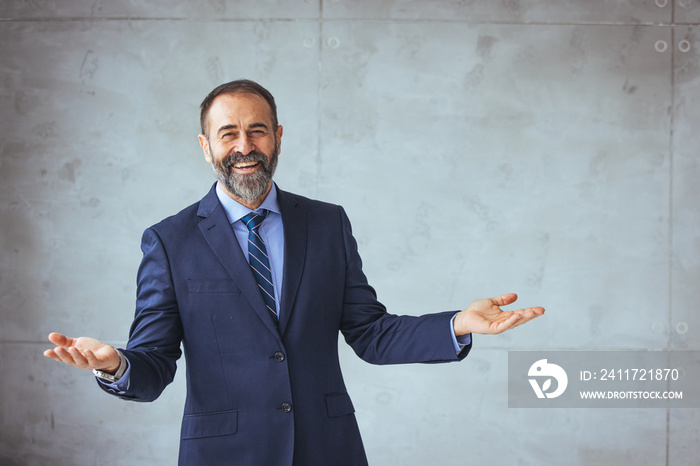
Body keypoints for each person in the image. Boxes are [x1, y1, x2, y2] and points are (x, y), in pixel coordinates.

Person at [44, 79, 544, 465]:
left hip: (328, 448)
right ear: (205, 146)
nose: (245, 145)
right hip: (224, 455)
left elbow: (371, 333)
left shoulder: (327, 224)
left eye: (257, 130)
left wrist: (457, 323)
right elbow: (153, 365)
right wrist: (115, 364)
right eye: (229, 133)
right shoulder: (170, 241)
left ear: (278, 137)